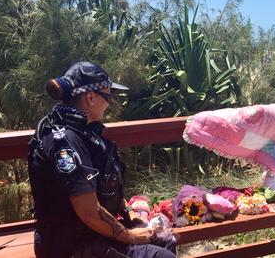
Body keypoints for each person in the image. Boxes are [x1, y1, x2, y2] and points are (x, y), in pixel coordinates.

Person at [28, 61, 176, 258]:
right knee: (162, 256)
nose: (110, 103)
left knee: (164, 240)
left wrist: (131, 213)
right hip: (70, 246)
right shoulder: (65, 143)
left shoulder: (84, 134)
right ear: (91, 97)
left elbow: (104, 189)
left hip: (89, 234)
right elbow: (89, 212)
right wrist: (129, 235)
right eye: (108, 96)